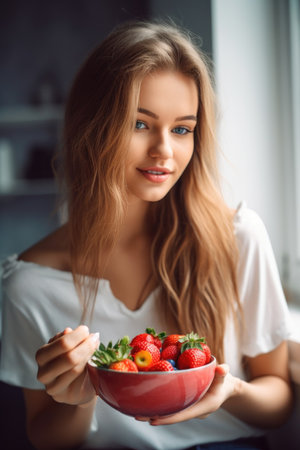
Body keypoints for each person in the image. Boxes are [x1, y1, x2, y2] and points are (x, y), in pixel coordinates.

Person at [0, 21, 293, 450]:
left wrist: (231, 391)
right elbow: (47, 438)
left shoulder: (239, 237)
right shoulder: (29, 285)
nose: (164, 151)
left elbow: (279, 399)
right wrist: (79, 400)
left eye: (182, 129)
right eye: (140, 124)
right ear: (91, 126)